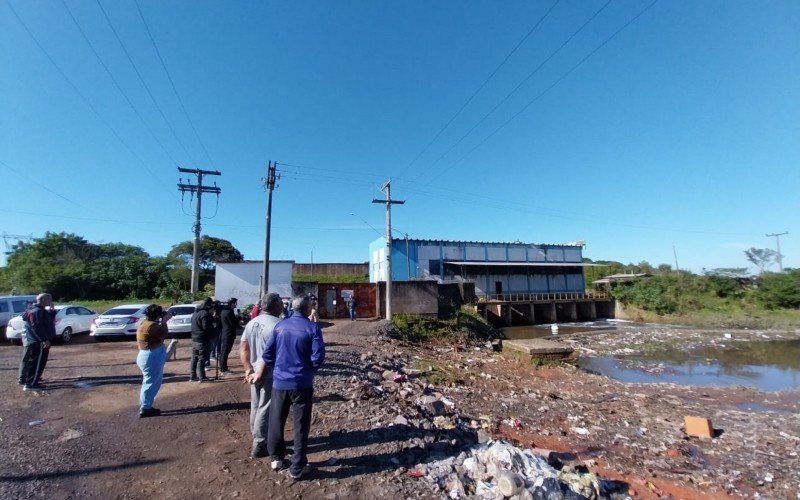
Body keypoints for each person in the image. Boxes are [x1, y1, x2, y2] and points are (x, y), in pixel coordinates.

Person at [256, 295, 325, 479]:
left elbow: (268, 355)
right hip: (302, 383)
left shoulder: (280, 326)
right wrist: (308, 369)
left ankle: (276, 457)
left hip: (280, 382)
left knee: (276, 419)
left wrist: (279, 367)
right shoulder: (312, 328)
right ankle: (297, 467)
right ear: (308, 309)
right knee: (300, 425)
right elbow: (318, 357)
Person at [240, 293, 283, 458]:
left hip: (255, 372)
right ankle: (260, 443)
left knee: (256, 405)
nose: (283, 306)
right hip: (269, 372)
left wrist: (248, 369)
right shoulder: (278, 325)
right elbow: (270, 354)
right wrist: (259, 372)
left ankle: (256, 435)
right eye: (281, 303)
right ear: (276, 306)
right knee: (266, 407)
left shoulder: (252, 323)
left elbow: (243, 347)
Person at [135, 304, 172, 417]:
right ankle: (145, 408)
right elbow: (164, 333)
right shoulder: (152, 326)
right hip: (151, 356)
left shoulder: (145, 323)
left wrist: (161, 320)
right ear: (158, 315)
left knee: (150, 382)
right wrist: (165, 321)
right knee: (151, 383)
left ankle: (145, 405)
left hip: (148, 355)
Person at [18, 293, 56, 391]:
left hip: (38, 340)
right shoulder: (36, 311)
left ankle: (33, 381)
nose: (51, 301)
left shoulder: (39, 310)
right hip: (38, 341)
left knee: (38, 362)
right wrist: (44, 339)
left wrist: (52, 312)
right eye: (49, 299)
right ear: (42, 300)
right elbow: (37, 327)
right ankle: (30, 384)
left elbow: (46, 323)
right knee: (37, 362)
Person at [190, 298, 214, 382]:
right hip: (202, 339)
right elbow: (206, 327)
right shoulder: (204, 314)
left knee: (194, 358)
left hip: (195, 338)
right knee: (202, 358)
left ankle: (192, 376)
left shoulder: (195, 313)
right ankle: (202, 377)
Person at [218, 298, 239, 375]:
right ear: (232, 303)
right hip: (228, 334)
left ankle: (223, 368)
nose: (236, 304)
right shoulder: (229, 311)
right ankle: (223, 369)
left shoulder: (223, 310)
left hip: (225, 333)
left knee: (224, 351)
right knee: (225, 352)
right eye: (235, 303)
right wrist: (238, 318)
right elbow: (233, 324)